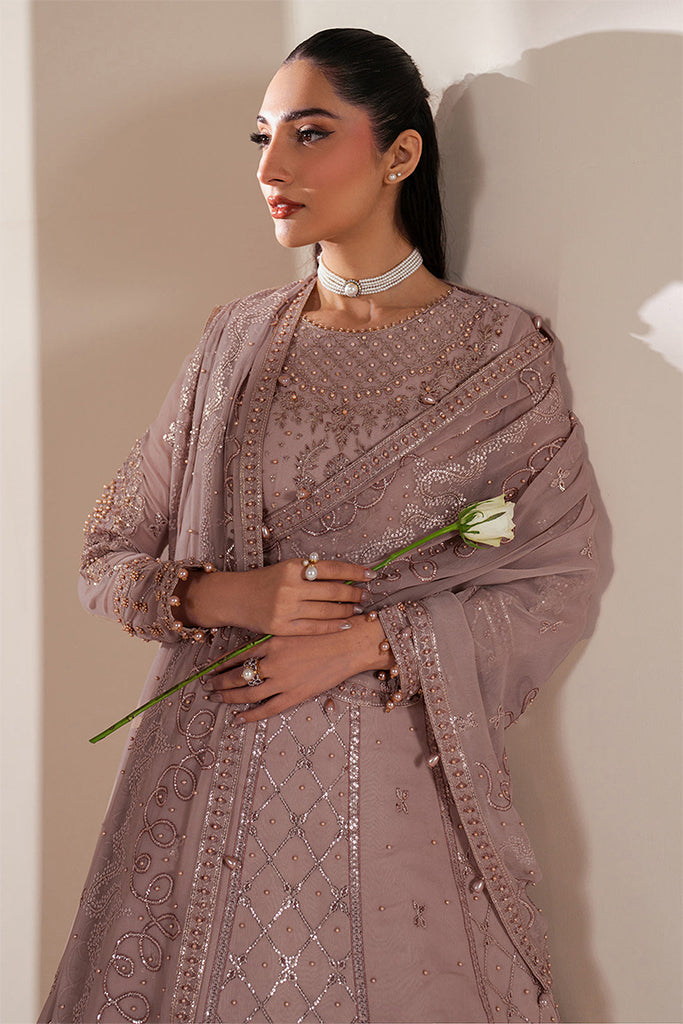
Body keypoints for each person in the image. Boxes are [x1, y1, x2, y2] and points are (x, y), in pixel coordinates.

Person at [40, 27, 604, 1024]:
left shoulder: (499, 356)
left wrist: (367, 642)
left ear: (399, 153)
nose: (271, 168)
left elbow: (555, 577)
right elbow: (105, 553)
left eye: (308, 133)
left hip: (386, 798)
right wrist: (227, 593)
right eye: (262, 138)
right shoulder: (233, 341)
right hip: (196, 789)